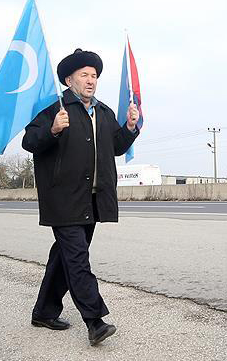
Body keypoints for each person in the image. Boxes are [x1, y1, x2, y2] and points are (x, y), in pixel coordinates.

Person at [22, 48, 140, 345]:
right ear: (68, 79)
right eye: (84, 75)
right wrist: (52, 129)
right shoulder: (55, 107)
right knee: (77, 259)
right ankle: (95, 321)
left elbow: (115, 147)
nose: (91, 81)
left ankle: (44, 311)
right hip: (63, 197)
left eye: (94, 76)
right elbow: (29, 141)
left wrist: (128, 127)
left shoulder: (103, 112)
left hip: (93, 198)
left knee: (64, 256)